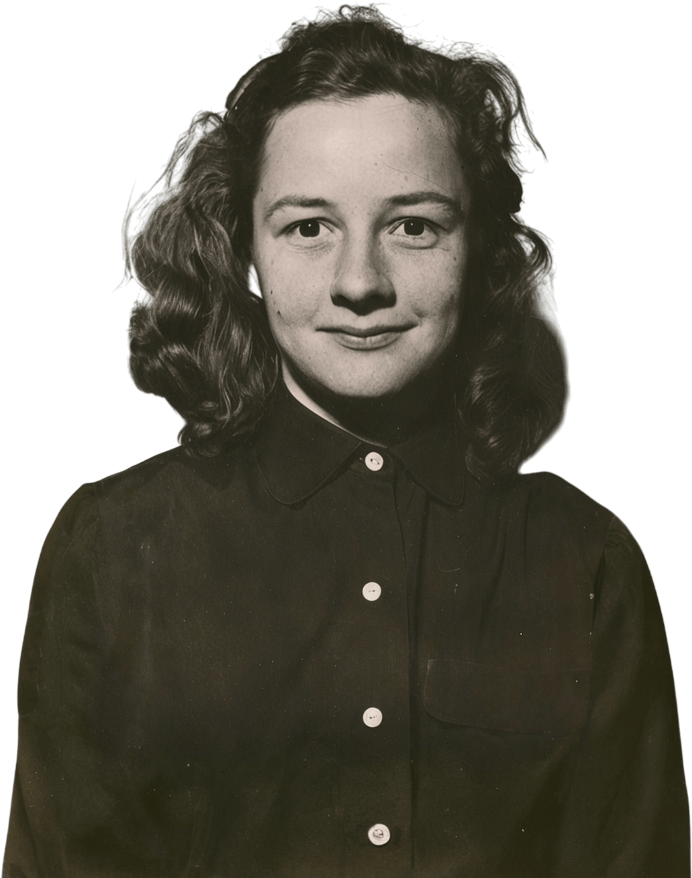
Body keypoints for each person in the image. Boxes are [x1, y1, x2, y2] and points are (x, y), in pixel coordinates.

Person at [3, 3, 689, 876]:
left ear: (481, 250)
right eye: (308, 227)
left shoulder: (589, 560)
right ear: (245, 255)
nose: (360, 282)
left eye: (414, 225)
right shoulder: (109, 546)